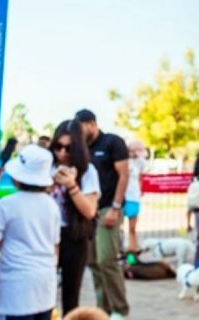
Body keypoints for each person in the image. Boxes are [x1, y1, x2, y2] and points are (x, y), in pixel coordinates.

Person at [0, 145, 60, 320]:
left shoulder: (6, 205)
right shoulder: (51, 205)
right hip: (45, 287)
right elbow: (54, 247)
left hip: (16, 291)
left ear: (17, 177)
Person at [75, 109, 129, 320]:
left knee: (107, 260)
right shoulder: (83, 148)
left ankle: (120, 310)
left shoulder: (112, 142)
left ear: (90, 123)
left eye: (80, 128)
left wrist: (115, 208)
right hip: (89, 211)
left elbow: (123, 175)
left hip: (109, 209)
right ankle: (102, 309)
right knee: (93, 262)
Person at [50, 120, 100, 315]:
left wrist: (72, 186)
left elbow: (89, 211)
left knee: (71, 297)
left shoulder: (88, 172)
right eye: (58, 146)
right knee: (44, 295)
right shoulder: (45, 167)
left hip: (74, 236)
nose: (62, 153)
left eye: (68, 148)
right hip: (46, 236)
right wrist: (49, 185)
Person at [124, 140, 146, 252]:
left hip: (133, 197)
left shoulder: (139, 162)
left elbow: (140, 178)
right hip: (123, 196)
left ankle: (132, 251)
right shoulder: (123, 161)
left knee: (132, 228)